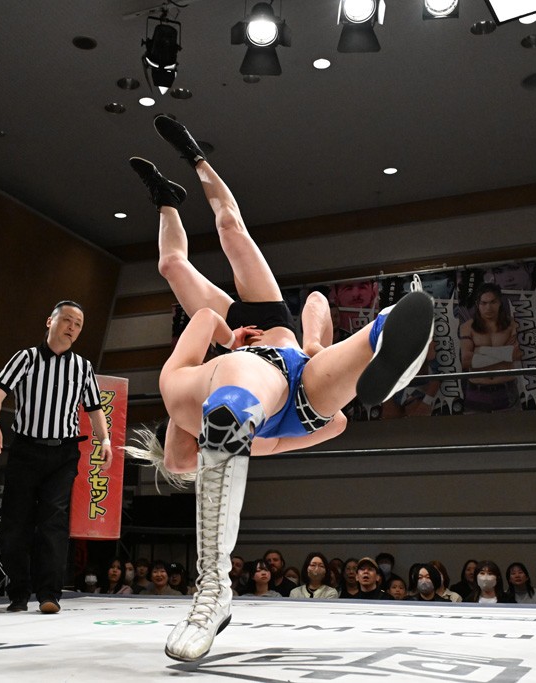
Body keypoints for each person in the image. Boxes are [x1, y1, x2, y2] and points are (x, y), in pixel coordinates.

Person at [126, 116, 434, 662]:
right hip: (289, 387)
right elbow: (330, 418)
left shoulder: (180, 392)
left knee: (220, 235)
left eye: (183, 462)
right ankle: (389, 329)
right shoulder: (227, 428)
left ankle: (187, 171)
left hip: (262, 349)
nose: (183, 465)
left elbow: (213, 325)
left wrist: (236, 338)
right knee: (278, 380)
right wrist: (311, 354)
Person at [0, 299, 111, 615]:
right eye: (67, 320)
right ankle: (18, 592)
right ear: (50, 321)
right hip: (26, 450)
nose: (72, 327)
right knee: (15, 524)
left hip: (63, 453)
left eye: (78, 324)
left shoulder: (82, 367)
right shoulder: (25, 358)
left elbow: (94, 408)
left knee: (54, 522)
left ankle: (49, 593)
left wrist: (105, 440)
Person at [460, 283, 520, 412]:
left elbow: (517, 353)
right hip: (477, 389)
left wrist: (480, 350)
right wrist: (505, 353)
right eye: (484, 303)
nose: (488, 307)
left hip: (506, 388)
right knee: (475, 426)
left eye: (493, 302)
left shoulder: (512, 325)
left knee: (513, 425)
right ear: (478, 304)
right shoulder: (468, 327)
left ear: (499, 303)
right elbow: (466, 360)